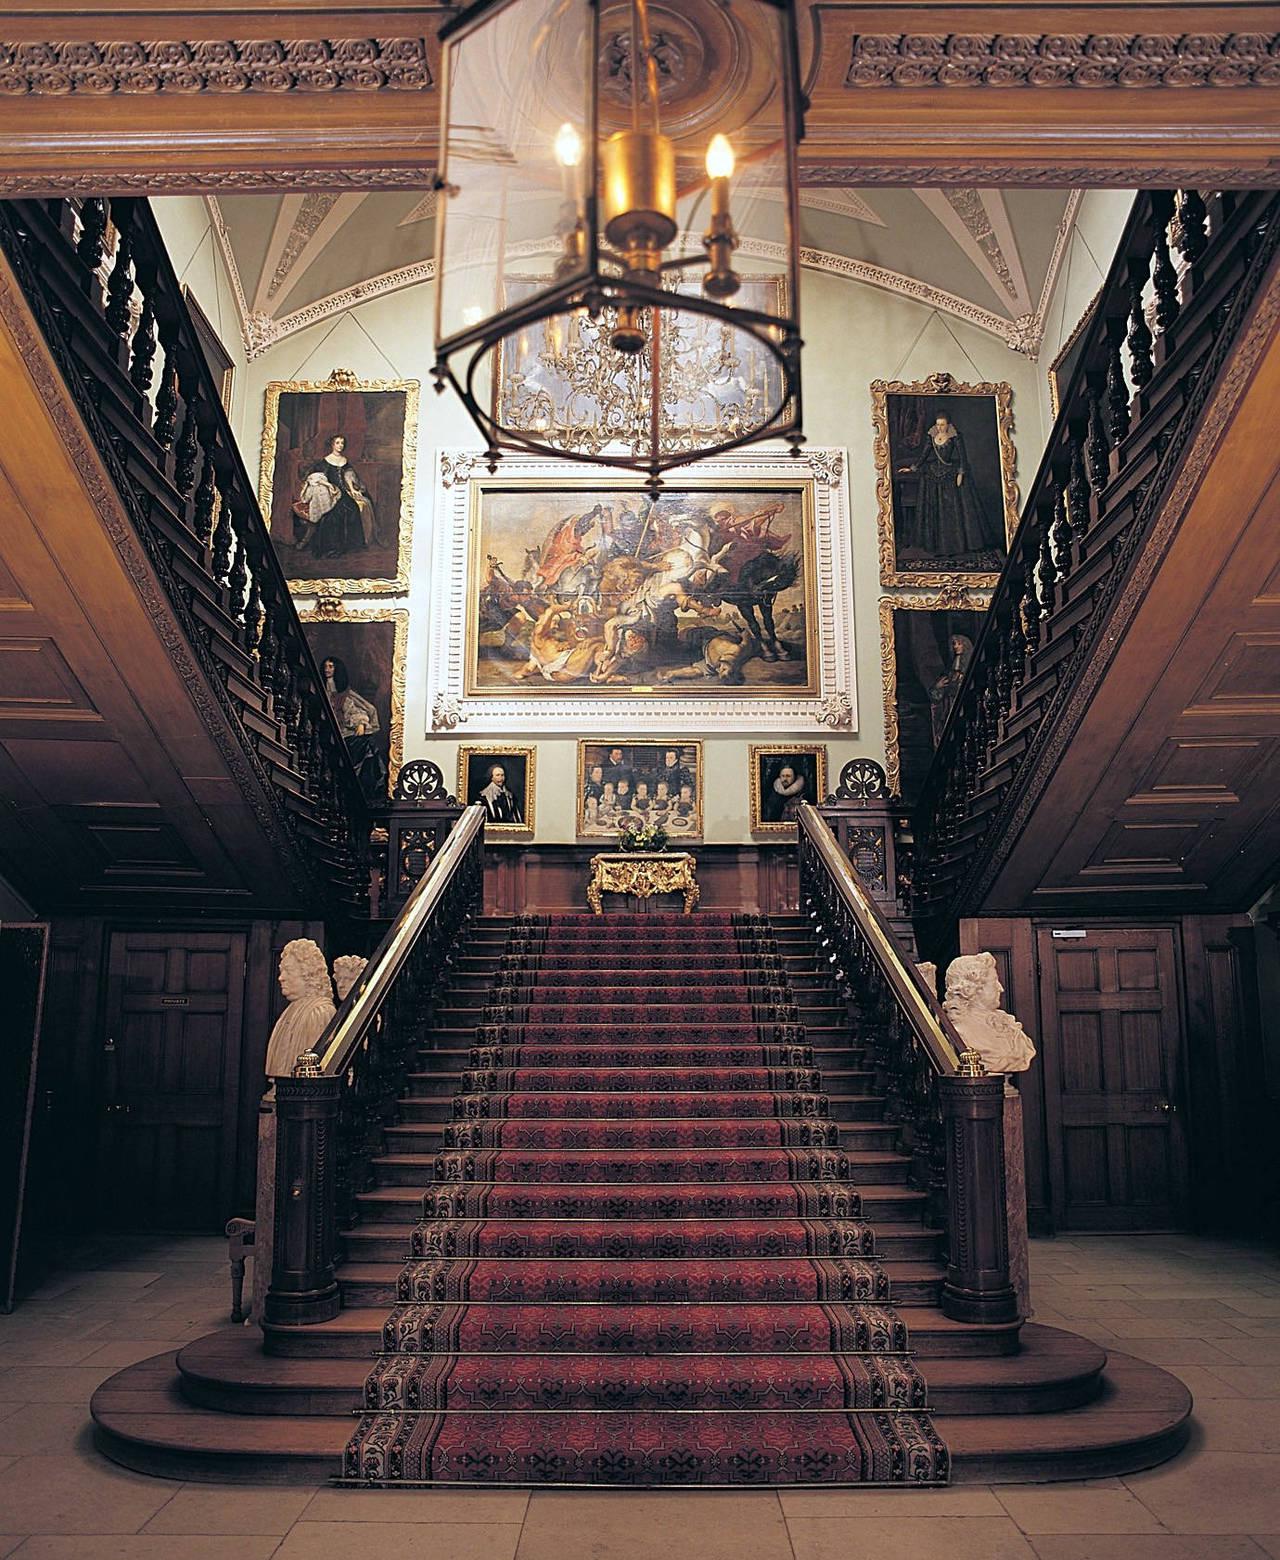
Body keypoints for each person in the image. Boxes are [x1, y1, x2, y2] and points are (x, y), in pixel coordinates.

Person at [896, 410, 1001, 557]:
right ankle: (937, 545)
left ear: (948, 425)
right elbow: (924, 454)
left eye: (942, 425)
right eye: (938, 424)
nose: (940, 427)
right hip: (934, 473)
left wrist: (960, 473)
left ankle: (954, 545)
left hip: (950, 473)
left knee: (953, 511)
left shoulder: (954, 436)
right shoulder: (932, 436)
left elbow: (963, 457)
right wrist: (912, 468)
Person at [322, 656, 386, 802]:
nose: (327, 669)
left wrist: (361, 724)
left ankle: (368, 787)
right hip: (329, 732)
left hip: (344, 732)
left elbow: (356, 711)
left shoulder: (344, 695)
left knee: (368, 746)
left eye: (331, 666)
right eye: (325, 666)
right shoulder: (323, 690)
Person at [295, 434, 367, 557]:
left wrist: (352, 489)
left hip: (343, 492)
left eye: (342, 443)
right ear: (332, 445)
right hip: (329, 492)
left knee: (352, 508)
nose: (340, 445)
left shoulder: (345, 461)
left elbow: (350, 476)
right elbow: (315, 477)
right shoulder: (324, 462)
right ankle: (331, 547)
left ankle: (351, 545)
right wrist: (328, 486)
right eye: (337, 443)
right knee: (334, 514)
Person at [929, 633, 973, 746]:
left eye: (959, 644)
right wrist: (938, 687)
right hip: (949, 706)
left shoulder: (969, 668)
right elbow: (937, 694)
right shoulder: (950, 671)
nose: (956, 647)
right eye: (954, 644)